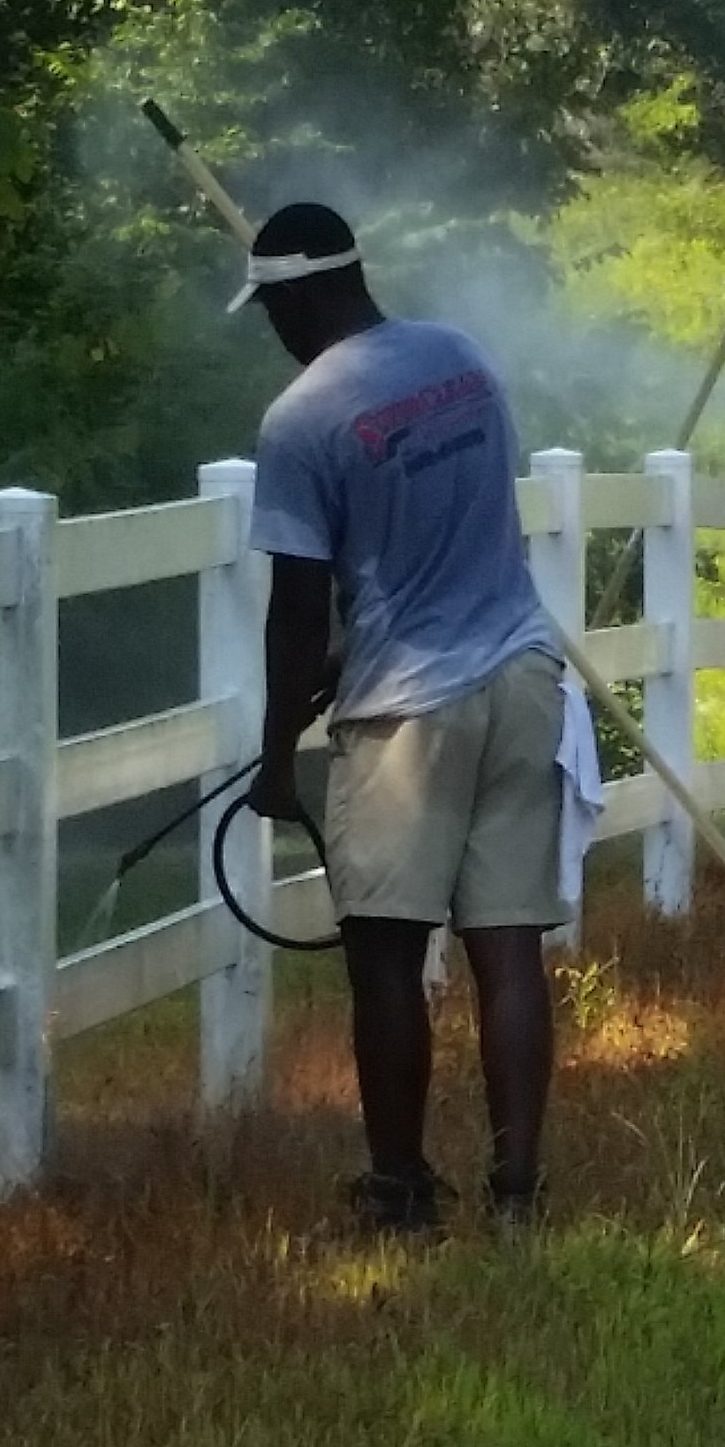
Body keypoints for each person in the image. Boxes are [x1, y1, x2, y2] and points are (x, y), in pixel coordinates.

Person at [236, 198, 562, 1238]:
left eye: (272, 308)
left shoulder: (299, 420)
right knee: (506, 947)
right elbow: (453, 530)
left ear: (299, 294)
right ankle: (516, 1197)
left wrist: (276, 753)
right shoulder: (461, 359)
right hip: (519, 673)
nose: (272, 328)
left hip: (407, 712)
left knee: (383, 957)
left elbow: (299, 606)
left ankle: (402, 1192)